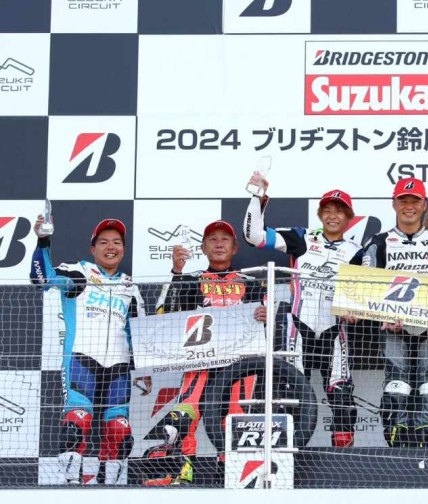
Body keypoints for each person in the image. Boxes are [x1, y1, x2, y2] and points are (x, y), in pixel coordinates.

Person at [243, 177, 364, 448]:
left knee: (342, 396)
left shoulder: (357, 252)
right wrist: (258, 199)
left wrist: (356, 309)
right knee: (290, 394)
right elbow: (254, 236)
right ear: (320, 214)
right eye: (327, 210)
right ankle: (288, 455)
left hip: (335, 331)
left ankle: (345, 460)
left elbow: (367, 293)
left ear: (349, 218)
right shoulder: (302, 238)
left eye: (339, 211)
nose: (333, 216)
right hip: (299, 327)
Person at [146, 220, 266, 484]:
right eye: (212, 239)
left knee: (236, 417)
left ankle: (231, 475)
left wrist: (266, 316)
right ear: (202, 248)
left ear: (235, 248)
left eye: (225, 239)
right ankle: (183, 473)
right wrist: (177, 273)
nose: (219, 244)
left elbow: (272, 326)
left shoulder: (252, 283)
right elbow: (163, 313)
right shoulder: (191, 280)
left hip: (240, 365)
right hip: (200, 362)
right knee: (185, 413)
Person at [30, 217, 145, 485]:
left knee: (119, 431)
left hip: (120, 367)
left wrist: (143, 370)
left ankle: (109, 488)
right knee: (76, 424)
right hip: (82, 360)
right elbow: (41, 279)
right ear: (93, 249)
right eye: (103, 242)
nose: (111, 247)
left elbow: (138, 334)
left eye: (117, 242)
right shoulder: (80, 273)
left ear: (123, 250)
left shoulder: (130, 287)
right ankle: (71, 485)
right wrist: (43, 241)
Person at [362, 177, 428, 447]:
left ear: (424, 204)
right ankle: (397, 430)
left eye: (414, 201)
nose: (409, 206)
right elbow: (366, 285)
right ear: (394, 204)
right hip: (392, 324)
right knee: (397, 379)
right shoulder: (378, 242)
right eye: (403, 201)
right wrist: (383, 315)